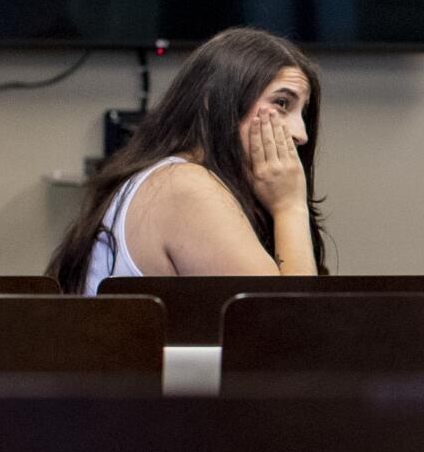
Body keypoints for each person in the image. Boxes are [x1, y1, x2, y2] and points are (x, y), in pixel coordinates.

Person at [48, 27, 326, 295]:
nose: (300, 134)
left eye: (302, 112)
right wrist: (289, 206)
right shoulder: (185, 186)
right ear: (214, 101)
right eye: (281, 104)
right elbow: (290, 327)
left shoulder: (169, 176)